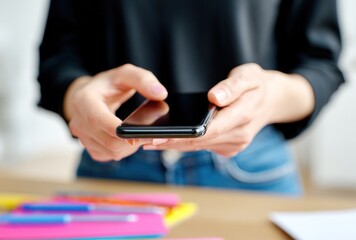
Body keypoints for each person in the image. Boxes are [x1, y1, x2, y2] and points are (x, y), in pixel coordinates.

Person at [38, 0, 344, 196]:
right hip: (112, 164)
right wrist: (78, 94)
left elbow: (321, 65)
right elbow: (58, 57)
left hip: (251, 167)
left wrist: (271, 98)